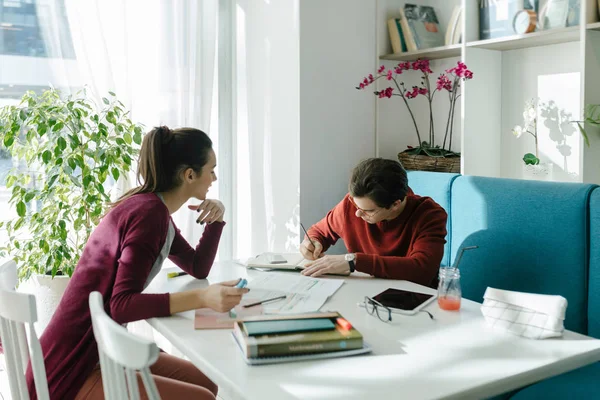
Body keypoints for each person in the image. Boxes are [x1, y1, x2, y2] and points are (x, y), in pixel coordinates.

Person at [26, 126, 248, 400]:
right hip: (70, 372)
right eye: (211, 169)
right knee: (201, 397)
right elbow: (121, 305)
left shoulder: (153, 209)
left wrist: (215, 220)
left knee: (207, 381)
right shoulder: (148, 215)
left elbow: (196, 266)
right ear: (189, 175)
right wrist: (203, 297)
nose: (214, 177)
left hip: (96, 349)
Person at [300, 158, 447, 287]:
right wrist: (312, 242)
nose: (357, 213)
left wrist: (354, 261)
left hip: (413, 298)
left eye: (368, 211)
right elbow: (319, 231)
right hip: (365, 292)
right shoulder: (350, 205)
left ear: (395, 204)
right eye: (355, 204)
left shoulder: (429, 215)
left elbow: (421, 270)